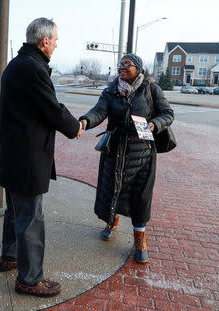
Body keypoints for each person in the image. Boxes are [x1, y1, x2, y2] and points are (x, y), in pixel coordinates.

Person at [0, 18, 84, 297]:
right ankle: (30, 279)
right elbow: (52, 109)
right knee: (31, 218)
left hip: (15, 156)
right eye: (55, 40)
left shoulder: (18, 64)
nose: (57, 45)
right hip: (27, 158)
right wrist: (75, 127)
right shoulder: (32, 68)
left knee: (15, 212)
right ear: (44, 41)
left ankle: (10, 257)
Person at [79, 54, 174, 264]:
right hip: (115, 149)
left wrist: (154, 124)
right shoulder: (111, 90)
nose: (121, 67)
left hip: (142, 153)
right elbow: (99, 111)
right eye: (120, 64)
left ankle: (140, 238)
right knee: (113, 189)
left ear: (137, 67)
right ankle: (111, 222)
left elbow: (168, 113)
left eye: (127, 64)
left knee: (140, 197)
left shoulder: (151, 89)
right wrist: (86, 120)